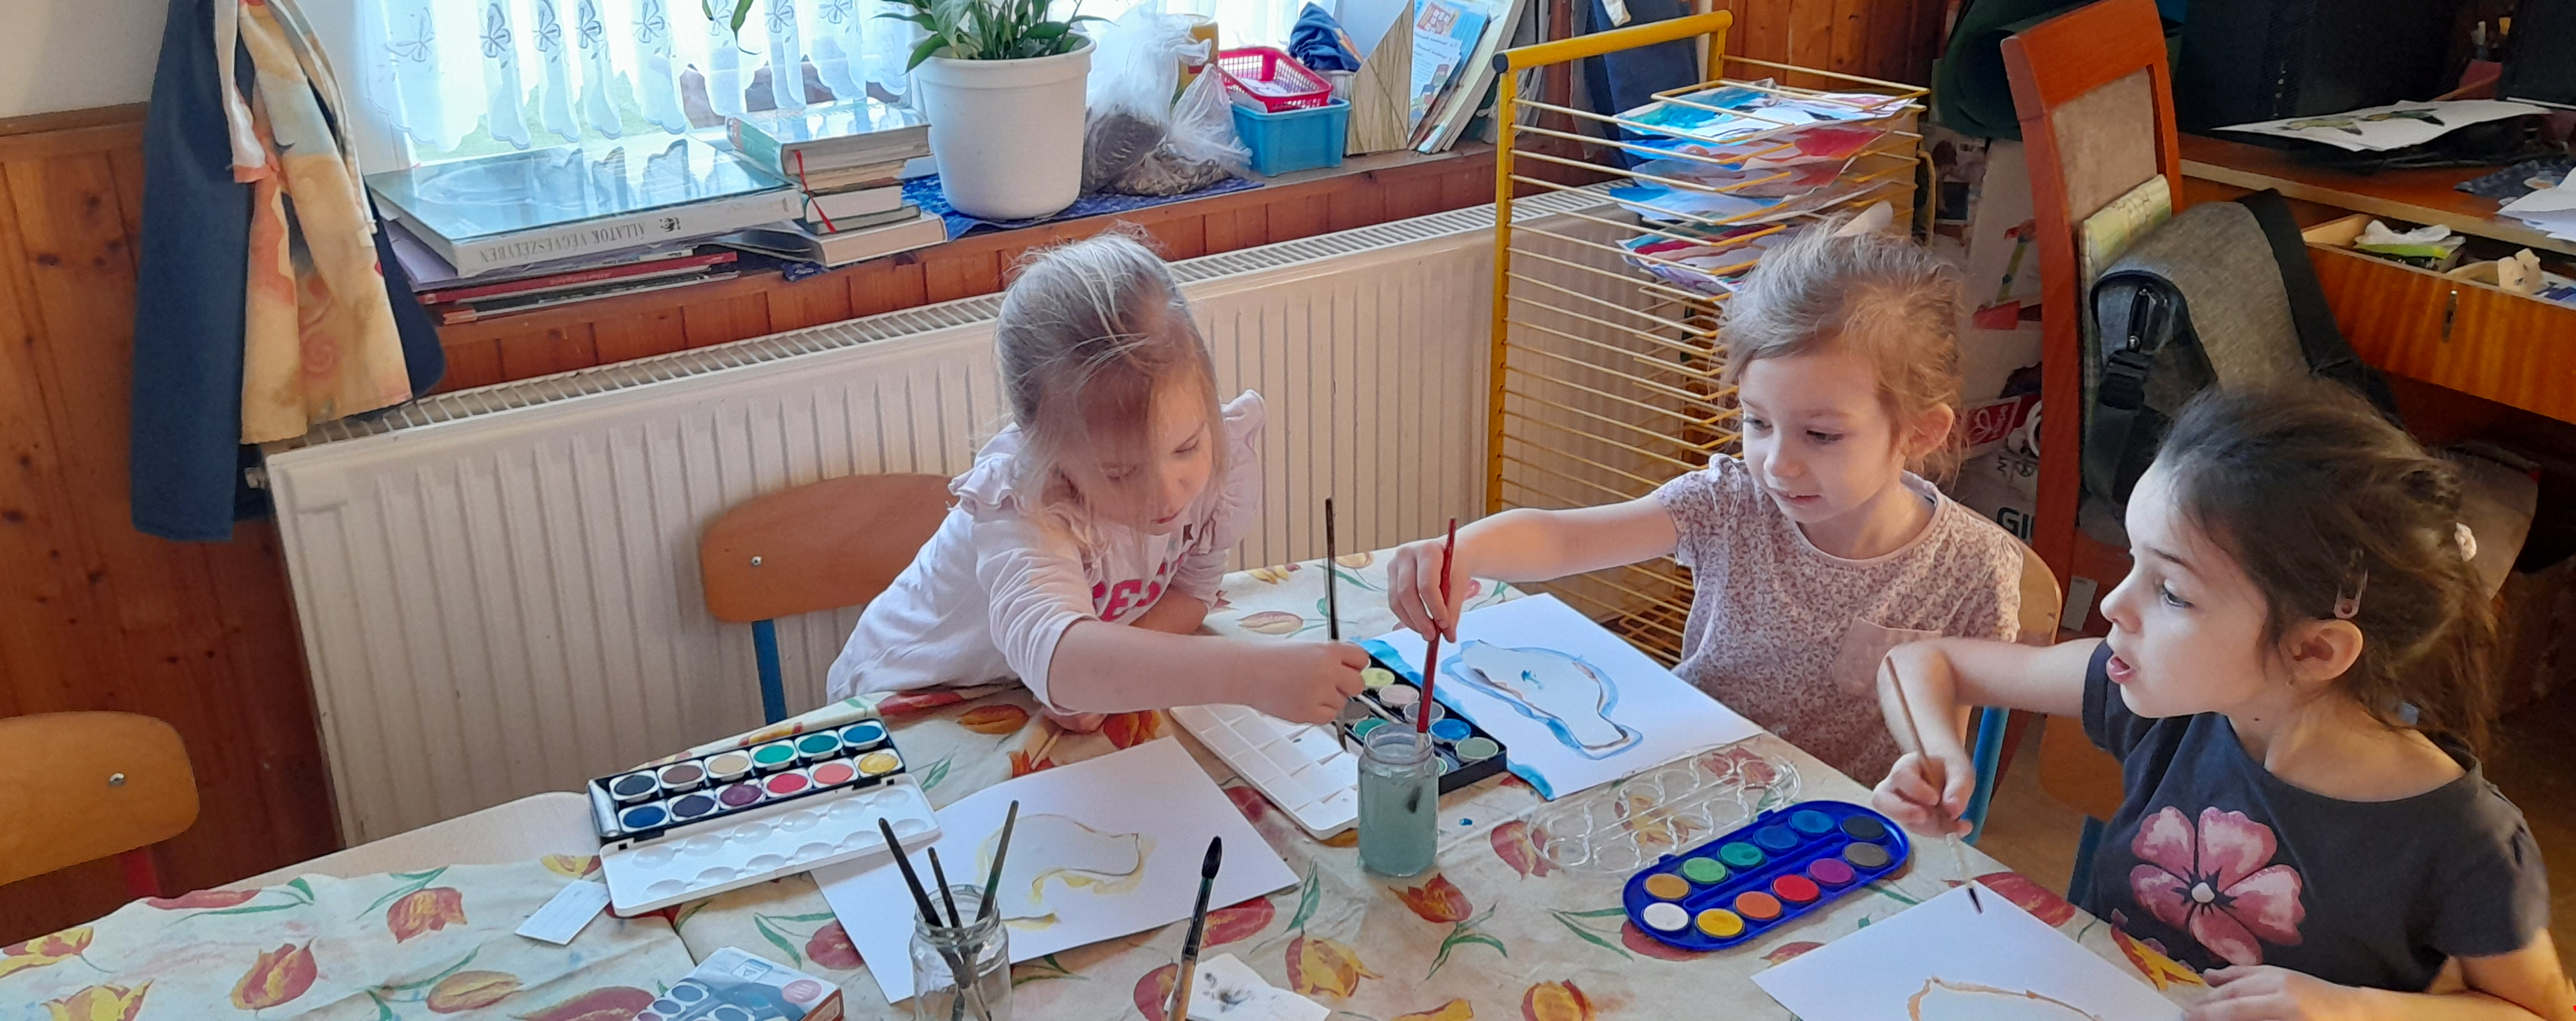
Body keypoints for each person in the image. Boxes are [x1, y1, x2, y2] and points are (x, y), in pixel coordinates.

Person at [1874, 384, 2576, 1019]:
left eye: (2172, 593)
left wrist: (2356, 1011)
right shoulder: (2162, 701)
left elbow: (2540, 1014)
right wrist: (1937, 754)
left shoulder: (2461, 839)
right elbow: (1920, 663)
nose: (2114, 604)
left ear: (2314, 650)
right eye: (2133, 562)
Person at [1386, 225, 2026, 782]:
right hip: (1689, 778)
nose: (1778, 464)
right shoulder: (1732, 503)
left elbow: (1940, 739)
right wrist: (1461, 550)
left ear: (1919, 432)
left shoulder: (1975, 569)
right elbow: (1564, 539)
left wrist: (1936, 777)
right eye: (1757, 422)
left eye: (1821, 435)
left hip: (1829, 829)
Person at [824, 230, 1368, 727]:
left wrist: (1100, 687)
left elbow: (1191, 591)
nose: (1167, 492)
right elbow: (1059, 658)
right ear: (1048, 454)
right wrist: (1252, 675)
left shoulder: (1217, 463)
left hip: (1017, 690)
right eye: (1120, 472)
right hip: (900, 703)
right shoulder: (1027, 505)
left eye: (1186, 447)